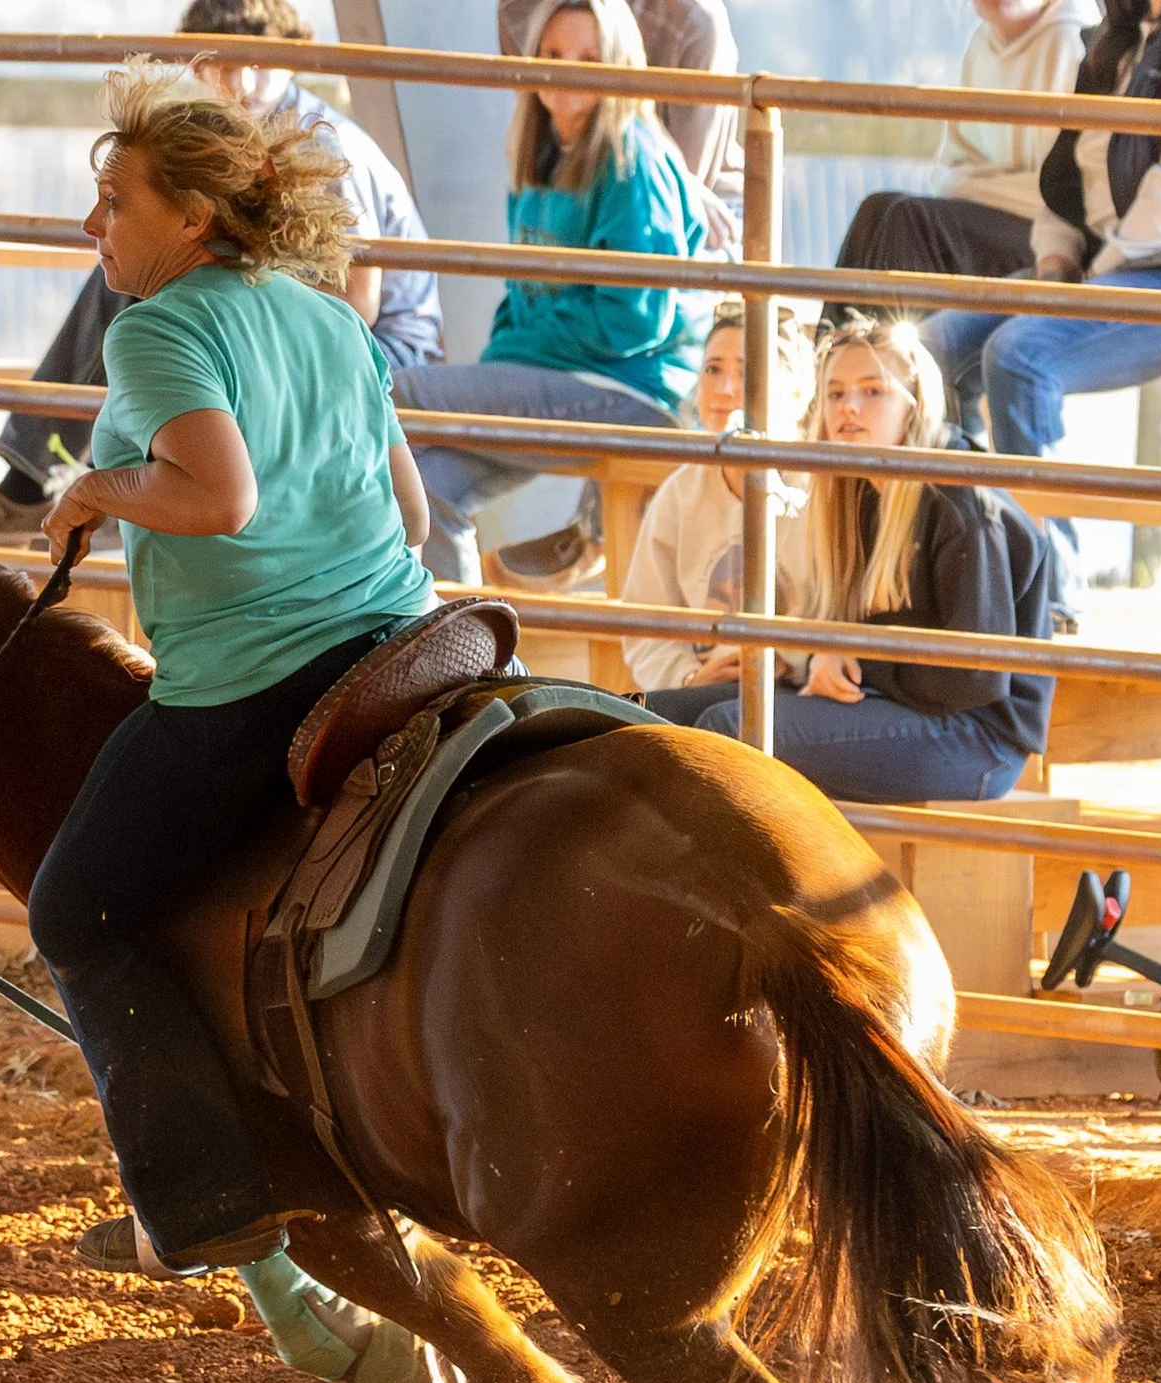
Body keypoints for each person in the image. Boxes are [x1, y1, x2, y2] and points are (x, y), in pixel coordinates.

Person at [23, 62, 435, 1282]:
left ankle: (203, 1202)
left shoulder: (153, 327)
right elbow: (409, 514)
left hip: (256, 681)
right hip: (403, 646)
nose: (91, 226)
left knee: (75, 911)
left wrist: (92, 488)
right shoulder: (326, 314)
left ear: (191, 218)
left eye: (115, 200)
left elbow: (217, 496)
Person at [0, 0, 443, 543]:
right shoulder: (225, 139)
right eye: (219, 63)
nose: (242, 81)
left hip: (380, 346)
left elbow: (355, 302)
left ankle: (48, 484)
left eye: (257, 62)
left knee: (141, 275)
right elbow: (412, 524)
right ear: (194, 67)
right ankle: (55, 480)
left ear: (290, 61)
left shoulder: (315, 139)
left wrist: (240, 311)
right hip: (291, 325)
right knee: (127, 256)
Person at [921, 0, 1161, 617]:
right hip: (1118, 260)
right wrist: (1055, 261)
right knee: (935, 348)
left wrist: (1090, 279)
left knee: (1021, 358)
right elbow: (1066, 177)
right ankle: (979, 564)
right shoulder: (1118, 34)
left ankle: (1053, 593)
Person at [647, 319, 1055, 803]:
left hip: (978, 739)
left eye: (872, 391)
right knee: (654, 714)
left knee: (732, 728)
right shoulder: (858, 491)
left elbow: (976, 678)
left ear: (914, 404)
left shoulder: (959, 500)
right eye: (836, 394)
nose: (849, 408)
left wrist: (857, 657)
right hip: (895, 703)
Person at [394, 0, 707, 589]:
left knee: (399, 392)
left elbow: (637, 318)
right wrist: (492, 382)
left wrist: (496, 378)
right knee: (422, 480)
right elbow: (521, 292)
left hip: (631, 390)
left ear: (619, 66)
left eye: (590, 59)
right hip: (557, 374)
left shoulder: (630, 157)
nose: (567, 72)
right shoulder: (538, 153)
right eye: (554, 54)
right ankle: (461, 663)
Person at [832, 0, 1100, 306]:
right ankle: (834, 346)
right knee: (877, 208)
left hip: (1055, 241)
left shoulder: (1074, 39)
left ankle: (877, 348)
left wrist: (973, 184)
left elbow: (1060, 196)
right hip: (999, 215)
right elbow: (951, 167)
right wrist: (977, 184)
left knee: (910, 221)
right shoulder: (982, 43)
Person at [620, 300, 817, 692]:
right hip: (706, 687)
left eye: (748, 373)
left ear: (797, 393)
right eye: (713, 369)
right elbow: (646, 627)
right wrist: (689, 678)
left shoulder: (821, 489)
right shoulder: (680, 492)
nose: (725, 389)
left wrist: (781, 660)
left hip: (801, 690)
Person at [497, 0, 744, 247]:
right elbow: (549, 117)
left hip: (699, 199)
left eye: (589, 60)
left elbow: (677, 196)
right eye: (552, 54)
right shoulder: (518, 10)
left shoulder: (696, 21)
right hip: (575, 171)